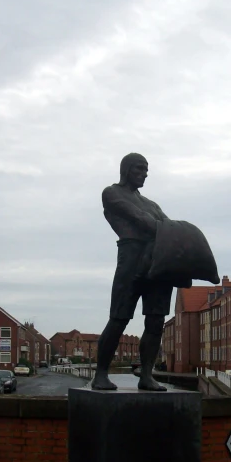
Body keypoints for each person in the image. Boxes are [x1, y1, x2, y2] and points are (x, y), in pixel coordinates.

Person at [92, 153, 172, 391]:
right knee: (119, 318)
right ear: (126, 170)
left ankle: (147, 375)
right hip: (131, 259)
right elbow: (141, 220)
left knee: (157, 320)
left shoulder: (152, 203)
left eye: (146, 170)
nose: (145, 174)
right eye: (139, 169)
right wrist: (164, 229)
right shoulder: (112, 193)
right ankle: (101, 375)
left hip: (157, 260)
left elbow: (167, 225)